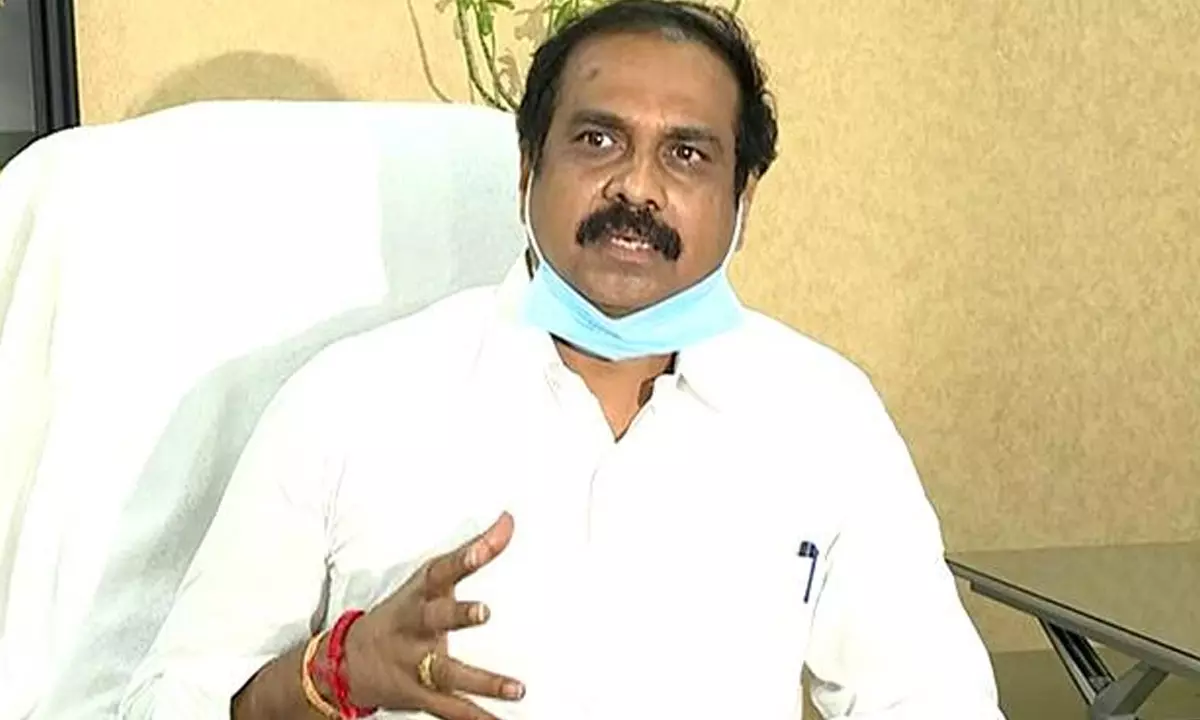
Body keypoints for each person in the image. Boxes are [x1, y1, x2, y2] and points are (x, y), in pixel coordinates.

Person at [120, 1, 1005, 718]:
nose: (637, 187)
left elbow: (930, 700)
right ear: (526, 169)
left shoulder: (825, 416)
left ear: (743, 198)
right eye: (597, 140)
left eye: (686, 154)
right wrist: (334, 673)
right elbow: (164, 704)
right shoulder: (348, 401)